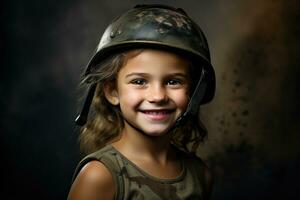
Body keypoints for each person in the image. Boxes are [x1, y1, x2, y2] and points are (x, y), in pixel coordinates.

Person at [67, 4, 216, 200]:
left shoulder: (200, 175)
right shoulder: (99, 176)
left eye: (173, 81)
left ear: (194, 91)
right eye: (139, 81)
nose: (158, 96)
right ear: (112, 91)